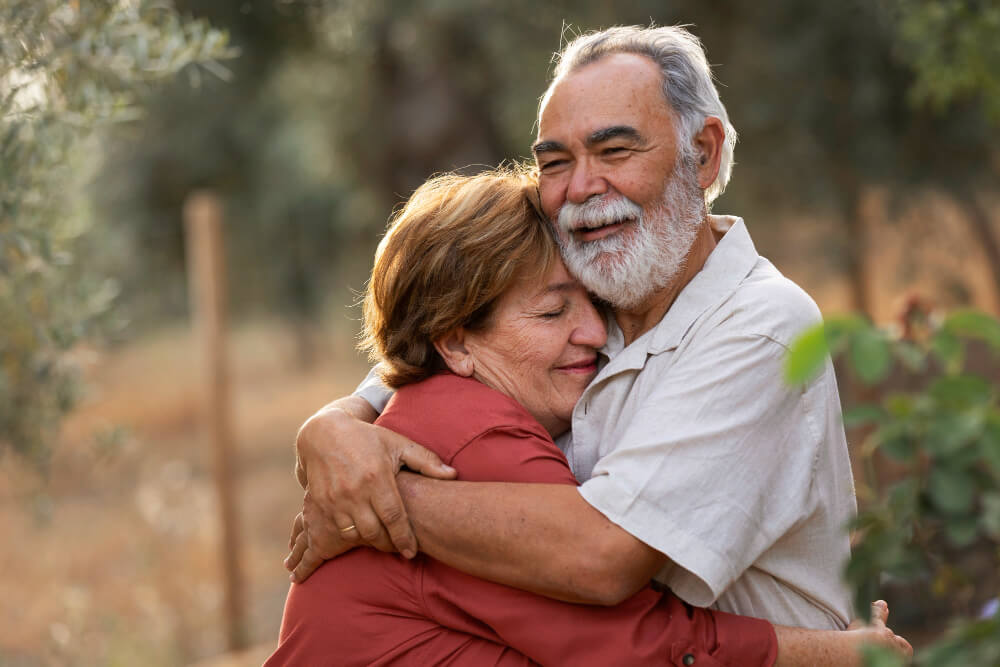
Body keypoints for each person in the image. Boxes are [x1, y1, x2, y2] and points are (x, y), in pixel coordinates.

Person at [289, 25, 856, 631]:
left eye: (615, 152)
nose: (582, 188)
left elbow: (603, 558)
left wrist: (375, 501)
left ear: (704, 154)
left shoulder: (762, 327)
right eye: (556, 163)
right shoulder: (595, 286)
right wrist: (334, 425)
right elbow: (439, 345)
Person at [268, 167, 909, 666]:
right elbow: (631, 648)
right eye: (551, 314)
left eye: (593, 304)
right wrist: (840, 655)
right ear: (456, 342)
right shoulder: (477, 434)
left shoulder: (435, 404)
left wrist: (346, 431)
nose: (592, 334)